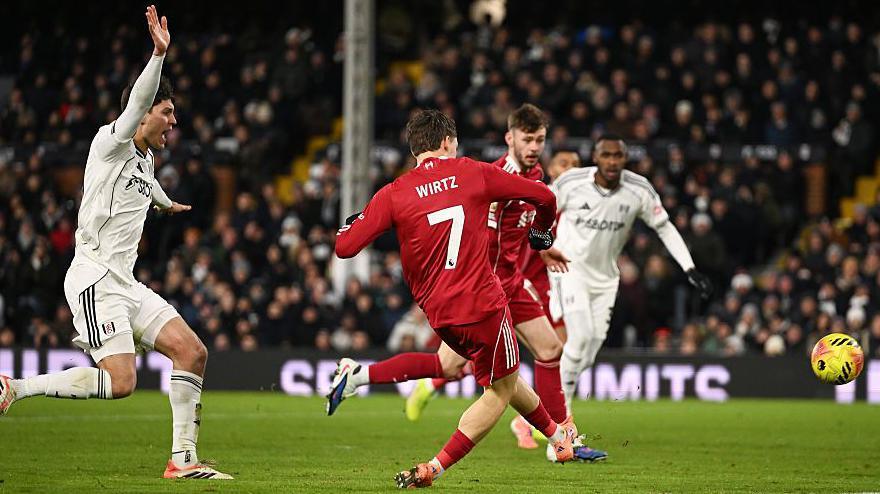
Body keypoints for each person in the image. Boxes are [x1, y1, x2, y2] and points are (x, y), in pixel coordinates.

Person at [0, 6, 231, 480]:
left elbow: (146, 186)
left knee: (192, 352)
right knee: (122, 382)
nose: (174, 120)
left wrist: (166, 203)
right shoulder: (111, 142)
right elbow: (136, 104)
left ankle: (182, 461)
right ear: (145, 113)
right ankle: (14, 387)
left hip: (126, 282)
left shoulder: (145, 162)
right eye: (167, 112)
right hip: (94, 279)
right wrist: (158, 55)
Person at [330, 109, 575, 488]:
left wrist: (352, 222)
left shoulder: (394, 192)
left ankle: (559, 438)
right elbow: (545, 196)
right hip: (483, 304)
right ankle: (435, 467)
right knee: (501, 389)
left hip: (441, 315)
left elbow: (345, 247)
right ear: (447, 142)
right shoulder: (473, 171)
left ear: (415, 150)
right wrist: (542, 237)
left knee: (494, 374)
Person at [399, 107, 606, 462]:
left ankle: (564, 438)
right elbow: (481, 235)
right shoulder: (493, 177)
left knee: (549, 350)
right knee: (453, 366)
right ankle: (422, 385)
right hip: (486, 287)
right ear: (510, 138)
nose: (534, 147)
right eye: (527, 139)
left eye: (540, 140)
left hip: (511, 281)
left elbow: (522, 231)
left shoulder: (538, 174)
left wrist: (542, 251)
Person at [548, 135, 713, 415]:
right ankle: (561, 425)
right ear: (596, 157)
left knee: (587, 355)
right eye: (606, 155)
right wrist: (543, 244)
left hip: (606, 278)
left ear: (625, 159)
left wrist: (689, 267)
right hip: (570, 269)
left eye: (618, 156)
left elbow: (664, 227)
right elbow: (542, 209)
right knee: (580, 337)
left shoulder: (638, 190)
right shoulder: (571, 183)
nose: (612, 162)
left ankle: (546, 405)